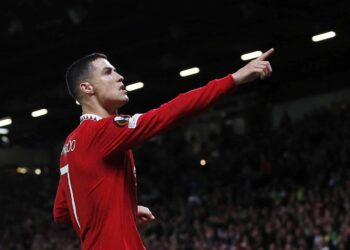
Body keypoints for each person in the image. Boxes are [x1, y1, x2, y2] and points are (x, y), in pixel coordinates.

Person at [53, 48, 274, 249]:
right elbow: (167, 114)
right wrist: (233, 79)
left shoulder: (69, 146)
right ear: (87, 87)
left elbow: (62, 212)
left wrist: (119, 208)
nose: (120, 77)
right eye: (108, 72)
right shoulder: (101, 132)